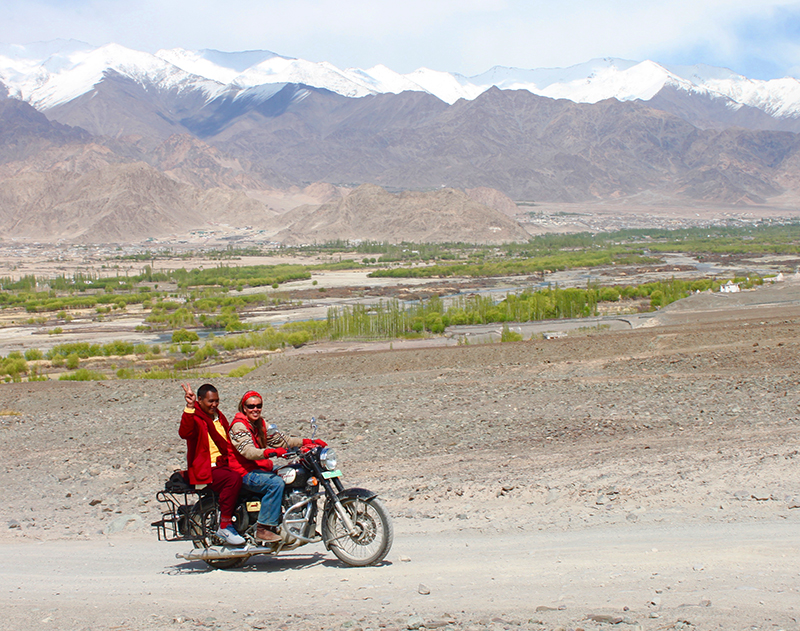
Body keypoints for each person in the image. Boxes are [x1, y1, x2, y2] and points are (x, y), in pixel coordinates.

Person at [227, 390, 324, 543]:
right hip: (243, 471)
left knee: (294, 472)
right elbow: (248, 452)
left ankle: (302, 521)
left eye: (258, 406)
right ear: (243, 407)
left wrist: (306, 442)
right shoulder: (239, 427)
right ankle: (264, 528)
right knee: (275, 483)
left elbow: (282, 441)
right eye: (251, 406)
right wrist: (271, 453)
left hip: (260, 467)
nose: (255, 409)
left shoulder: (260, 424)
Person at [179, 383, 245, 547]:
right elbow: (185, 432)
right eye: (210, 401)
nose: (214, 405)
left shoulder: (219, 417)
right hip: (207, 468)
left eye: (216, 401)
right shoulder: (196, 418)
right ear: (200, 400)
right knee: (233, 479)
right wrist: (189, 406)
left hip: (225, 464)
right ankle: (225, 525)